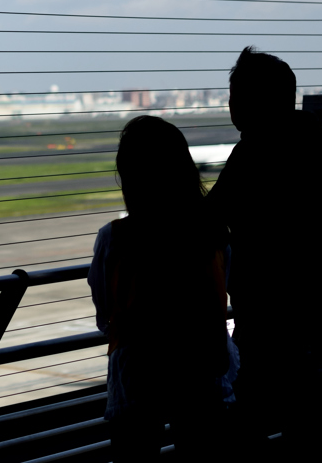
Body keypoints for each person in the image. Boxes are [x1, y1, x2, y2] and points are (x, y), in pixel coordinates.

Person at [206, 47, 322, 457]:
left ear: (255, 102)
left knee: (250, 423)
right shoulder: (319, 152)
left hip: (275, 325)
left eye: (235, 96)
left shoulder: (253, 154)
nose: (230, 106)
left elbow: (207, 222)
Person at [89, 116, 236, 461]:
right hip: (202, 367)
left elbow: (105, 311)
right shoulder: (214, 233)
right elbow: (223, 288)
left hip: (138, 373)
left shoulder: (114, 238)